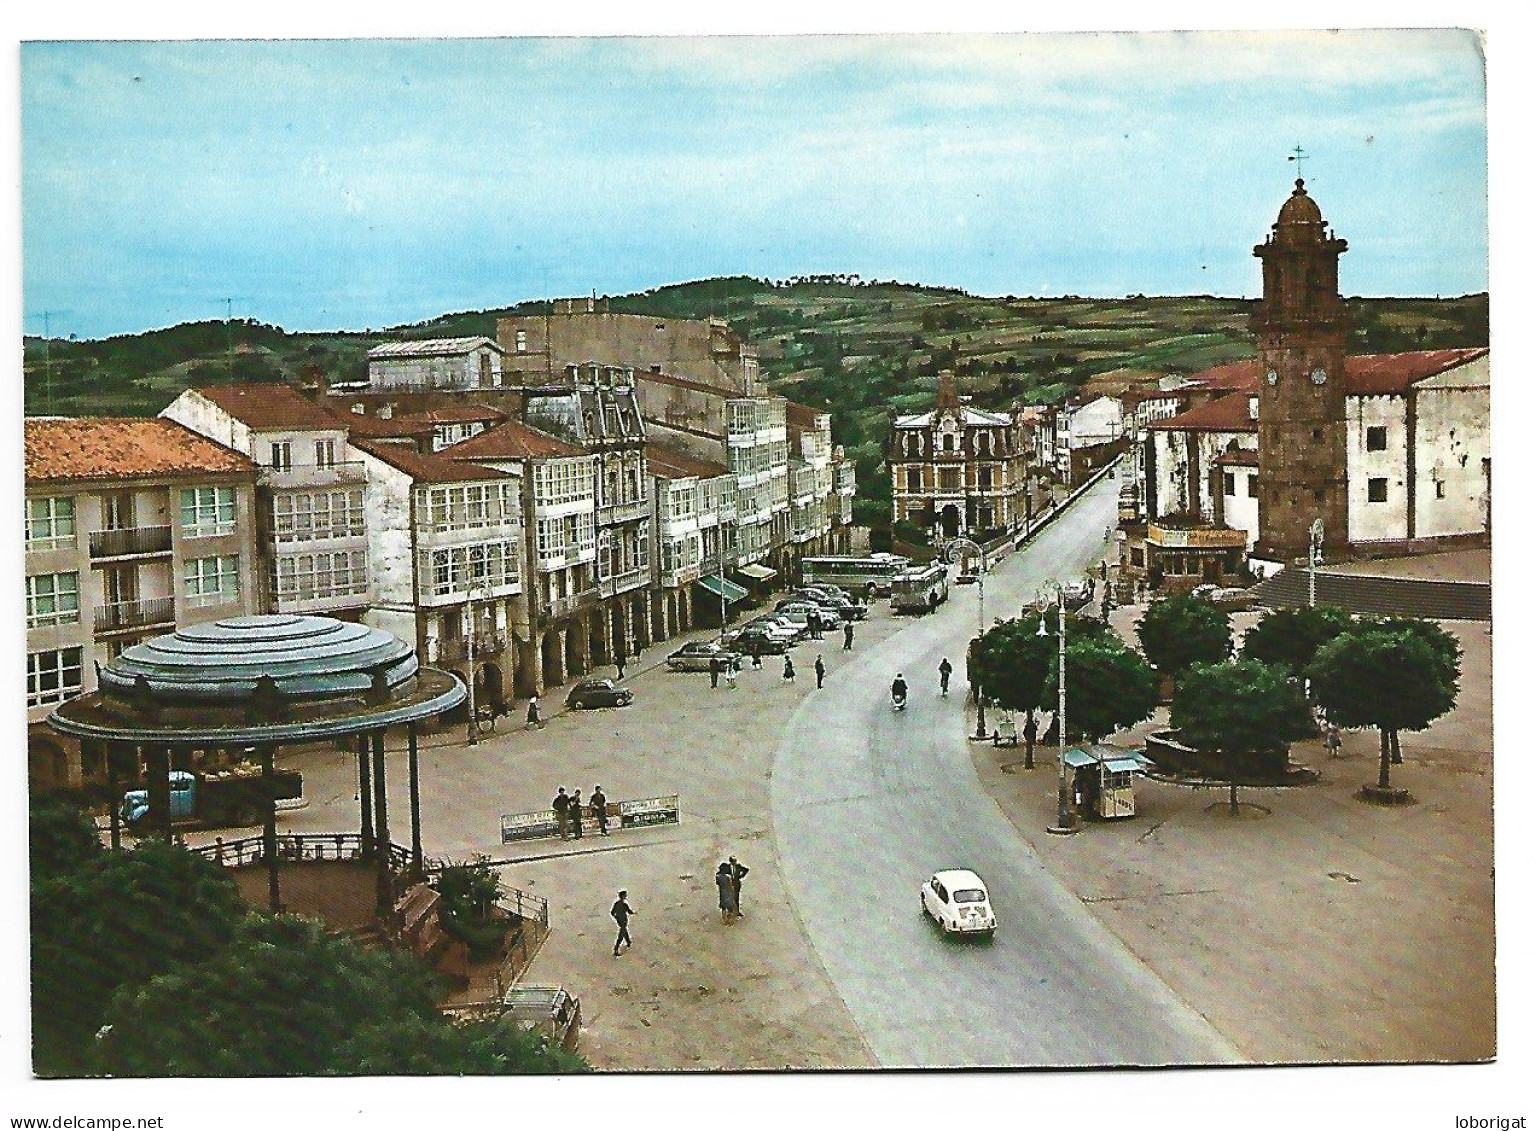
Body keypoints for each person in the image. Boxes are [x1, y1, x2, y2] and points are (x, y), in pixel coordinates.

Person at [611, 890, 635, 956]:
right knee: (621, 935)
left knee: (624, 931)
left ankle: (628, 942)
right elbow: (629, 911)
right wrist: (634, 912)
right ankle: (616, 949)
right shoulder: (624, 904)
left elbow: (612, 913)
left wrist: (617, 918)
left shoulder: (616, 903)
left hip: (620, 921)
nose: (626, 896)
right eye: (625, 895)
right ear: (623, 896)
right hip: (623, 921)